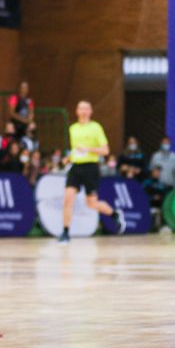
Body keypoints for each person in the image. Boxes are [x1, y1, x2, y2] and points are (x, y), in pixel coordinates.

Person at [59, 100, 125, 242]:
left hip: (91, 167)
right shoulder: (73, 129)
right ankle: (65, 233)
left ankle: (114, 214)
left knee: (91, 203)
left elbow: (105, 150)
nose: (83, 111)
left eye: (86, 108)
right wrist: (69, 158)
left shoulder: (96, 127)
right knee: (68, 198)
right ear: (76, 111)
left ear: (90, 112)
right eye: (80, 108)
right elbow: (75, 150)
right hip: (76, 167)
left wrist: (89, 149)